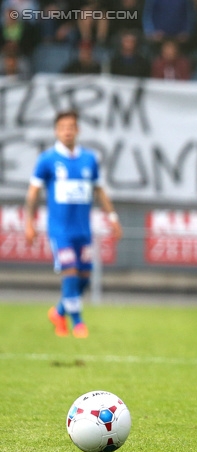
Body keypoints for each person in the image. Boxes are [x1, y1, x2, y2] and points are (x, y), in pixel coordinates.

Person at [24, 110, 122, 338]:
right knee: (70, 271)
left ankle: (59, 312)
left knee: (84, 278)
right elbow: (33, 193)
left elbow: (99, 191)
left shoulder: (89, 159)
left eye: (71, 127)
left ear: (77, 130)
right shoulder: (47, 160)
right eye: (62, 127)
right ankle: (78, 323)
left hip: (83, 230)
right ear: (56, 131)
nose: (67, 131)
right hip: (60, 230)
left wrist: (113, 218)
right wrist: (29, 223)